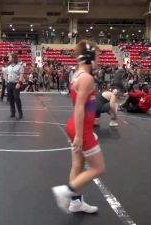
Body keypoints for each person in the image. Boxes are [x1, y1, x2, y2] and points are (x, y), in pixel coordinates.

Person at [52, 40, 104, 214]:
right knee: (99, 168)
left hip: (75, 125)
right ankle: (66, 192)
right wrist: (81, 136)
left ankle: (75, 203)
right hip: (81, 129)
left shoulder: (76, 75)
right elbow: (80, 106)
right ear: (89, 56)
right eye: (96, 55)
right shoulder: (87, 78)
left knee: (78, 165)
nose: (99, 60)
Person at [6, 53, 24, 119]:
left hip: (16, 84)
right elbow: (7, 75)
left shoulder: (20, 66)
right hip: (9, 84)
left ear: (13, 58)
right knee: (11, 99)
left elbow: (21, 76)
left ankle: (20, 112)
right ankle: (12, 112)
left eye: (10, 57)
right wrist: (7, 82)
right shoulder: (9, 66)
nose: (8, 58)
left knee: (17, 98)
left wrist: (19, 83)